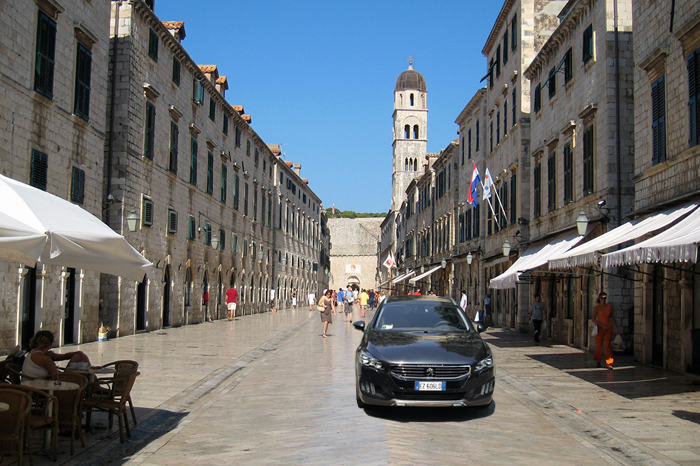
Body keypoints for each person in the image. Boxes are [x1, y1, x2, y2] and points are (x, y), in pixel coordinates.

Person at [22, 330, 92, 379]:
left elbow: (62, 356)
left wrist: (76, 353)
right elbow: (57, 375)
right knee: (83, 375)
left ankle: (95, 387)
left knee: (80, 356)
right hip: (39, 388)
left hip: (39, 383)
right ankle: (95, 388)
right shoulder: (43, 358)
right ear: (50, 344)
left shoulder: (36, 352)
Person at [592, 291, 619, 369]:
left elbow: (612, 318)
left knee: (607, 346)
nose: (603, 299)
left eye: (605, 298)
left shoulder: (609, 307)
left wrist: (616, 328)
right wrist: (602, 326)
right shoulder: (596, 308)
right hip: (600, 328)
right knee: (599, 345)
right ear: (599, 298)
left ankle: (609, 362)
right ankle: (598, 361)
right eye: (602, 298)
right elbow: (593, 319)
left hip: (609, 327)